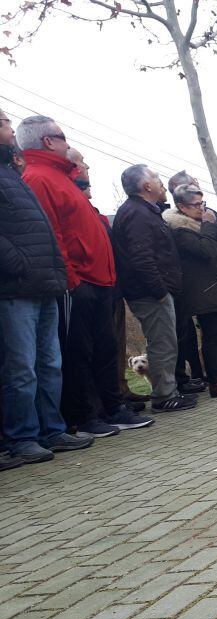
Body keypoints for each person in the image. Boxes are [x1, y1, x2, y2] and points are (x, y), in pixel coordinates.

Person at [19, 117, 152, 436]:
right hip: (78, 282)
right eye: (63, 137)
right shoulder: (38, 177)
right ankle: (83, 415)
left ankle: (112, 408)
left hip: (100, 280)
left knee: (105, 348)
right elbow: (52, 232)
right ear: (49, 141)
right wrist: (71, 278)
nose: (69, 145)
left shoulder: (64, 179)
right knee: (79, 352)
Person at [0, 108, 93, 464]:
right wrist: (17, 263)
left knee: (49, 363)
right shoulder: (23, 175)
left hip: (43, 283)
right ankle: (22, 436)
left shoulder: (13, 174)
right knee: (21, 367)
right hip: (15, 288)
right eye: (6, 123)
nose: (11, 129)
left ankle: (51, 430)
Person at [112, 163, 195, 413]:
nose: (161, 182)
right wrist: (159, 290)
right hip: (150, 293)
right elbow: (142, 257)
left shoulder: (144, 211)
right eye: (156, 178)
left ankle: (168, 391)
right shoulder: (137, 214)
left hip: (151, 290)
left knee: (166, 341)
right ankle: (164, 395)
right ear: (146, 186)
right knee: (162, 343)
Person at [164, 184, 217, 398]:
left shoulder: (199, 224)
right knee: (212, 337)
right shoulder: (180, 229)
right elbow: (204, 251)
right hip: (203, 291)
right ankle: (216, 382)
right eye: (195, 204)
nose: (201, 209)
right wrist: (209, 227)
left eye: (202, 203)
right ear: (181, 206)